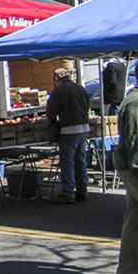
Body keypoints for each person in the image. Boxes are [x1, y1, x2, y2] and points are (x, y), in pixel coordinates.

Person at [114, 61, 138, 274]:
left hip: (132, 167)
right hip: (136, 169)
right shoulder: (136, 103)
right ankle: (127, 273)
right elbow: (136, 142)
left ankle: (128, 273)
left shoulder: (135, 100)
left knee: (135, 219)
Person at [47, 67, 90, 204]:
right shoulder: (80, 88)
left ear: (56, 79)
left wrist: (53, 124)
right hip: (84, 128)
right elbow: (87, 106)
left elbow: (51, 112)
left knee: (67, 162)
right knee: (80, 161)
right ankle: (82, 192)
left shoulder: (58, 91)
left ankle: (68, 194)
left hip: (68, 130)